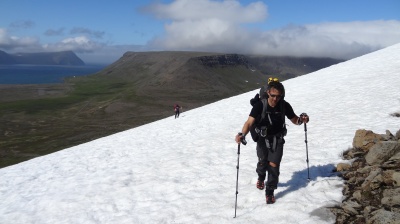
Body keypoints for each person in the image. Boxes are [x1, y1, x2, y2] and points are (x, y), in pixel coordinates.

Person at [234, 79, 309, 204]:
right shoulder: (260, 105)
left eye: (278, 96)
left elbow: (294, 119)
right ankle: (261, 177)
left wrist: (302, 120)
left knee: (274, 165)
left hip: (277, 139)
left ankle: (270, 192)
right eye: (273, 95)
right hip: (262, 139)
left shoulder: (284, 105)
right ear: (268, 93)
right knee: (263, 162)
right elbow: (249, 122)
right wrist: (242, 134)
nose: (275, 99)